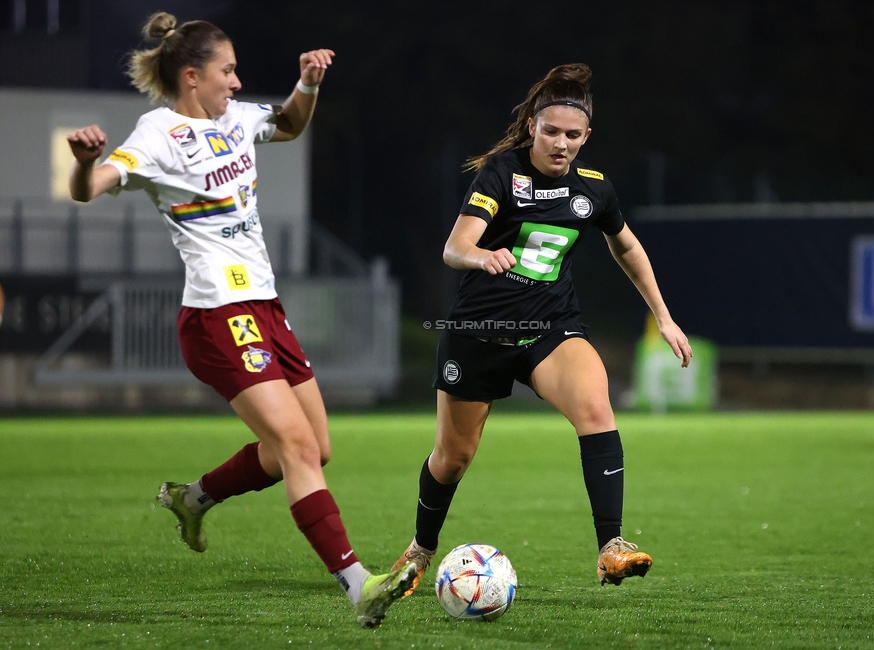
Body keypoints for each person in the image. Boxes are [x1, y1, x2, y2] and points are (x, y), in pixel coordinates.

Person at [66, 12, 415, 628]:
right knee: (297, 445)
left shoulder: (234, 117)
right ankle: (360, 586)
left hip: (264, 308)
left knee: (314, 449)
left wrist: (308, 83)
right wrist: (82, 160)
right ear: (192, 76)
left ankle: (191, 498)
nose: (236, 81)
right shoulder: (157, 133)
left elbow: (287, 124)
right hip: (217, 314)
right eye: (226, 71)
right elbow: (90, 187)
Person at [389, 63, 693, 595]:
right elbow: (454, 248)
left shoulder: (594, 189)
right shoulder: (500, 175)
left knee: (596, 407)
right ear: (532, 125)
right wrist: (482, 257)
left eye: (573, 135)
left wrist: (663, 317)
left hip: (550, 329)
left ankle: (611, 546)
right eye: (551, 131)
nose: (561, 143)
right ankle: (421, 548)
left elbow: (626, 246)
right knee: (453, 457)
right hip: (480, 331)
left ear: (586, 138)